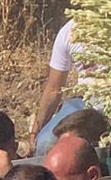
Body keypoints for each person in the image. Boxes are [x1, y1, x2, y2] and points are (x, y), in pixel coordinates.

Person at [35, 16, 97, 155]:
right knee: (45, 143)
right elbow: (54, 88)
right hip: (84, 102)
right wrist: (36, 131)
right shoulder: (69, 32)